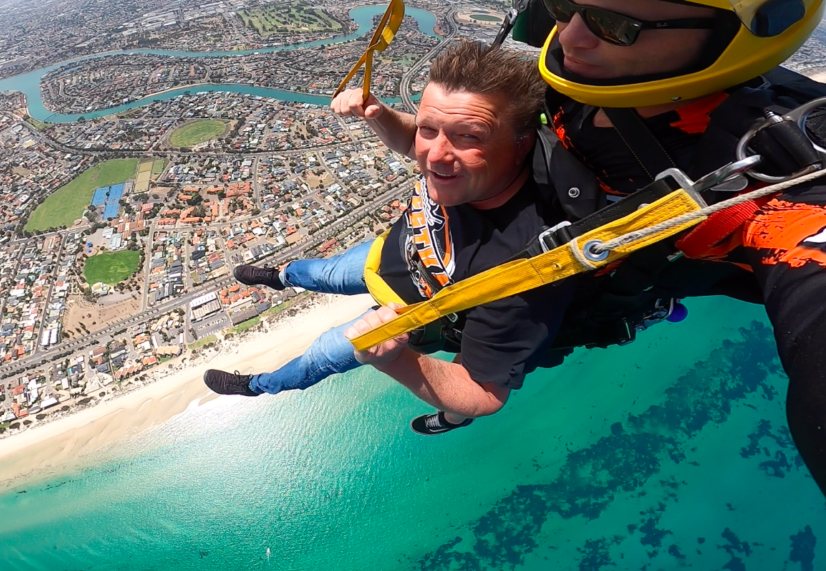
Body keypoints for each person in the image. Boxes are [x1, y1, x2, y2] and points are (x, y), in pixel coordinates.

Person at [349, 0, 826, 495]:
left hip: (523, 298)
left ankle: (451, 416)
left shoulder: (783, 184)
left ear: (728, 34)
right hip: (439, 262)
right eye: (561, 4)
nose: (571, 36)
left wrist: (395, 361)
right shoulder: (578, 76)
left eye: (616, 25)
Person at [204, 43, 576, 434]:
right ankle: (280, 277)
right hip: (392, 254)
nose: (434, 156)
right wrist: (378, 114)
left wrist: (392, 360)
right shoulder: (465, 164)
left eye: (468, 136)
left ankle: (257, 385)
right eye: (429, 128)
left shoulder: (522, 266)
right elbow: (414, 141)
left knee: (320, 356)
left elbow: (484, 394)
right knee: (323, 273)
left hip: (403, 316)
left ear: (523, 144)